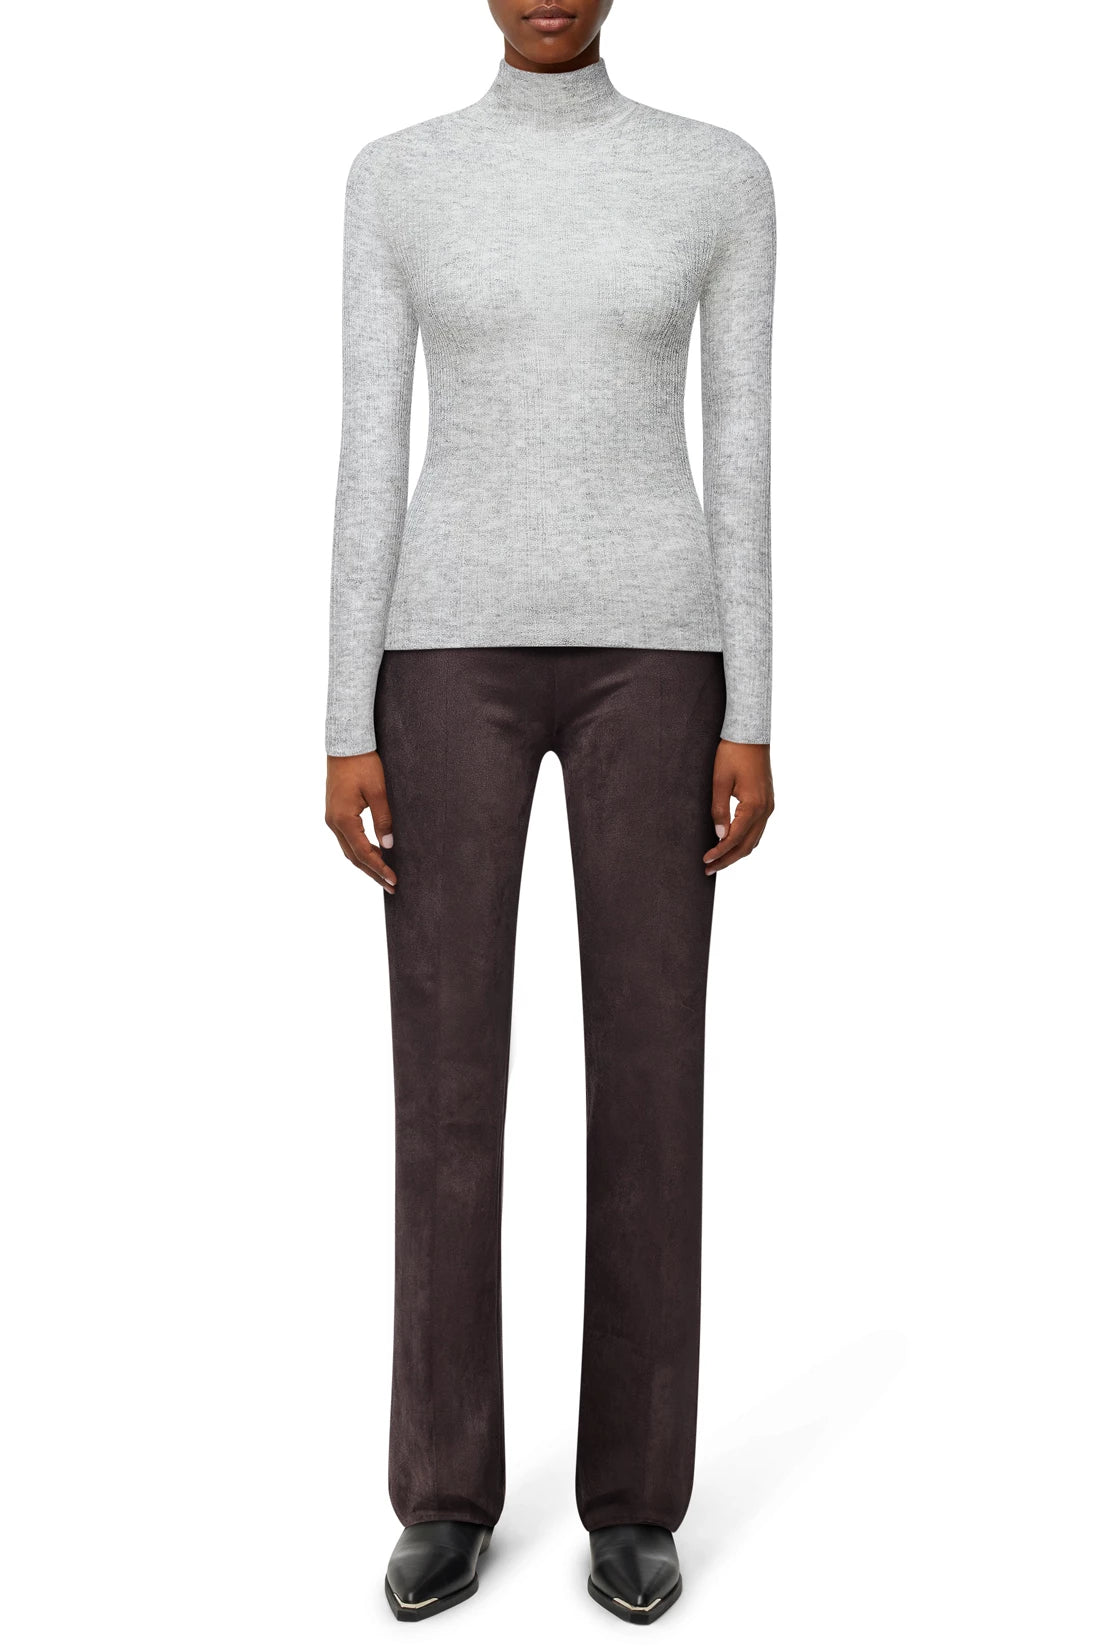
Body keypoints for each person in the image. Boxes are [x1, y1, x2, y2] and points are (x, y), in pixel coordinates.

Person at [324, 0, 776, 1623]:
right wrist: (344, 717)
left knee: (652, 1073)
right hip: (442, 657)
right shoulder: (400, 178)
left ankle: (636, 1498)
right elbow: (371, 445)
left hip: (661, 657)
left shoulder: (715, 175)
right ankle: (445, 1488)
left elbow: (742, 442)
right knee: (445, 1081)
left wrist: (751, 704)